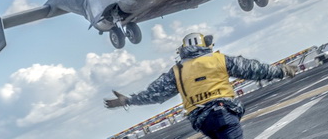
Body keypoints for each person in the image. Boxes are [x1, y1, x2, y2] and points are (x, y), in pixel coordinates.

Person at [104, 33, 298, 139]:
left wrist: (128, 100)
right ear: (205, 44)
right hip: (224, 112)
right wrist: (282, 71)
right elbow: (254, 70)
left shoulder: (177, 71)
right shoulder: (218, 59)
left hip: (203, 121)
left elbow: (156, 94)